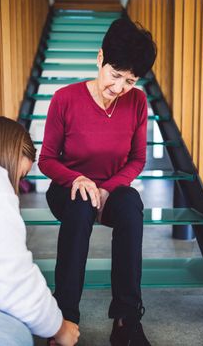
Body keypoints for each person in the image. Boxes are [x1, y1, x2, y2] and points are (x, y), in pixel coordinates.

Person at [38, 18, 157, 346]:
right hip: (68, 187)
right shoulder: (65, 98)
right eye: (115, 75)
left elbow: (137, 160)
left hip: (112, 189)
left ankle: (126, 319)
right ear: (100, 57)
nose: (119, 89)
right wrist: (78, 179)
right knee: (79, 203)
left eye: (130, 81)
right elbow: (46, 159)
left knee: (132, 204)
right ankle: (64, 317)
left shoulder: (138, 103)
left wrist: (107, 188)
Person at [0, 116, 80, 346]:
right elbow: (15, 279)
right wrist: (59, 327)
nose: (16, 186)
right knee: (15, 336)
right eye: (19, 176)